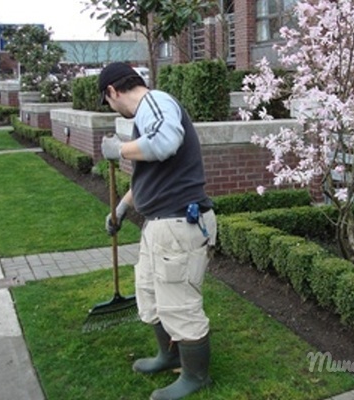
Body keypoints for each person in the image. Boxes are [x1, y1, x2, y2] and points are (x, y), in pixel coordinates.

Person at [98, 62, 216, 400]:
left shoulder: (156, 103)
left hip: (181, 222)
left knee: (179, 302)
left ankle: (196, 376)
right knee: (149, 292)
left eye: (108, 102)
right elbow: (150, 177)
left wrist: (118, 149)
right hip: (160, 224)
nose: (112, 109)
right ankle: (170, 356)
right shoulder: (146, 116)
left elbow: (164, 144)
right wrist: (120, 209)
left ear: (112, 91)